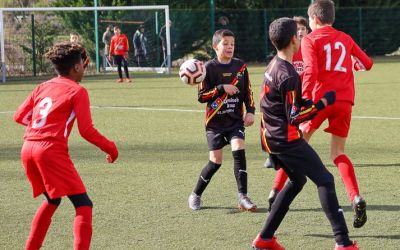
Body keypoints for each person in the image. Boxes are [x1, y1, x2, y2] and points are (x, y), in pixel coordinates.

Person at [252, 17, 359, 250]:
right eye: (299, 35)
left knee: (297, 180)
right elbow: (295, 117)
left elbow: (285, 105)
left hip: (270, 136)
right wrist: (321, 103)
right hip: (285, 139)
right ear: (293, 39)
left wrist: (307, 101)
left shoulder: (273, 65)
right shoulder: (289, 74)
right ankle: (343, 243)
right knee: (325, 180)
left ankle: (265, 238)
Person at [13, 42, 119, 250]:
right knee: (83, 205)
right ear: (77, 67)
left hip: (28, 149)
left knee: (52, 200)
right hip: (49, 151)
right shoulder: (77, 91)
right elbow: (86, 130)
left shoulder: (43, 86)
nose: (84, 68)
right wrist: (110, 147)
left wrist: (41, 128)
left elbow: (20, 116)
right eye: (83, 64)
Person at [301, 0, 373, 228]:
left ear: (314, 19)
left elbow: (311, 71)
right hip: (344, 101)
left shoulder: (309, 39)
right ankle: (355, 197)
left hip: (320, 100)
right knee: (338, 152)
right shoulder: (345, 37)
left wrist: (302, 101)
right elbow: (368, 63)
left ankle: (275, 193)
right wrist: (354, 62)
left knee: (296, 145)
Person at [188, 29, 257, 212]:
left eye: (232, 44)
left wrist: (250, 111)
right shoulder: (208, 68)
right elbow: (202, 96)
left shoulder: (241, 67)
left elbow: (248, 92)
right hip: (215, 124)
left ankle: (243, 196)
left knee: (239, 149)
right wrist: (221, 88)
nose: (229, 47)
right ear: (215, 46)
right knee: (215, 162)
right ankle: (196, 194)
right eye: (225, 44)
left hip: (235, 121)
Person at [265, 16, 311, 211]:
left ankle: (276, 188)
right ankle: (276, 188)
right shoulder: (287, 59)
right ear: (292, 36)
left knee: (293, 152)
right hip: (294, 108)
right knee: (295, 148)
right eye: (297, 30)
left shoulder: (308, 50)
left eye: (303, 29)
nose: (300, 33)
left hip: (302, 102)